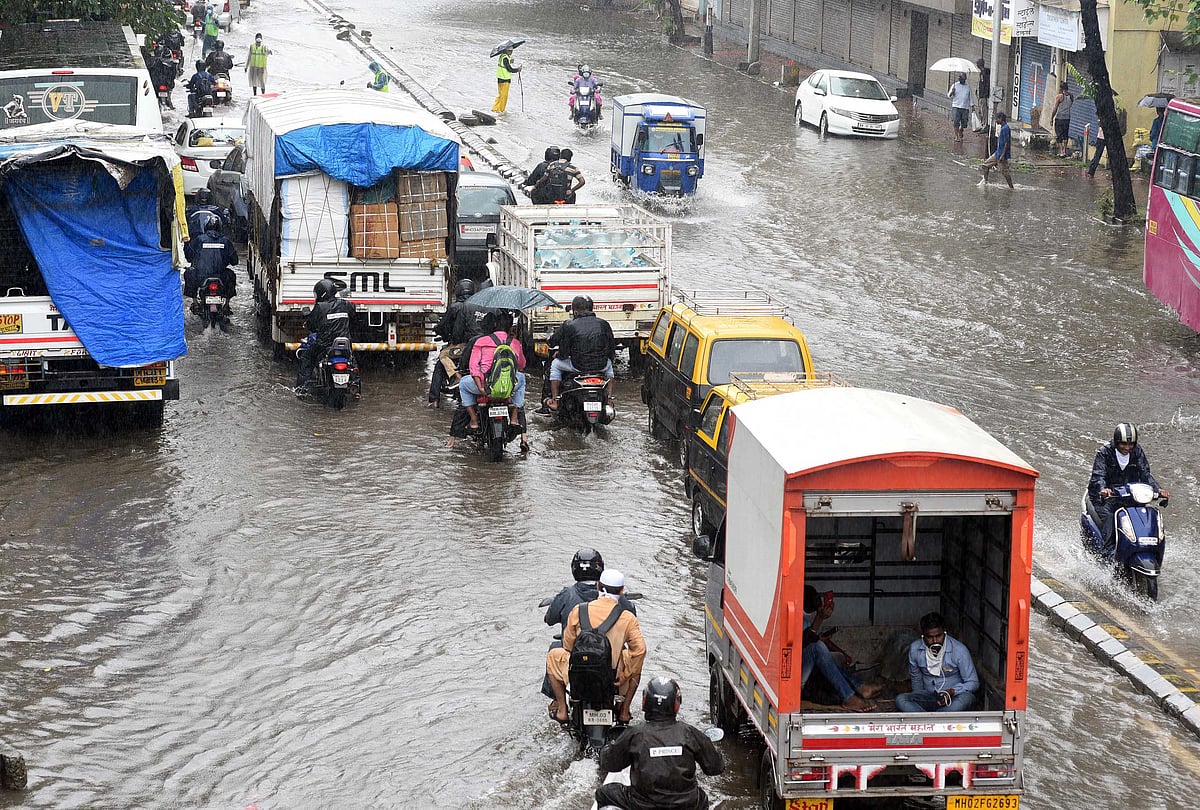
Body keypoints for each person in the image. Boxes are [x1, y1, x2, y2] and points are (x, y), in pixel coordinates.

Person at [595, 677, 724, 810]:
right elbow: (715, 768)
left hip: (642, 804)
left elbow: (610, 764)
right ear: (676, 703)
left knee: (604, 793)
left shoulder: (635, 733)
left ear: (645, 701)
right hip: (686, 804)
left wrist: (609, 747)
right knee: (702, 797)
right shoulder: (689, 733)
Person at [547, 569, 646, 724]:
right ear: (622, 590)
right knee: (635, 665)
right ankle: (624, 711)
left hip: (579, 672)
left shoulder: (579, 610)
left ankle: (562, 710)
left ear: (598, 586)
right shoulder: (628, 617)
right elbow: (640, 651)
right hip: (613, 676)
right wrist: (625, 675)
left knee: (553, 655)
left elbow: (567, 645)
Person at [1087, 423, 1169, 555]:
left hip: (1130, 494)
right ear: (1116, 442)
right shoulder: (1104, 452)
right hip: (1107, 497)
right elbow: (1098, 475)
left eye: (1131, 444)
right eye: (1123, 444)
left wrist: (1158, 490)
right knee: (1109, 516)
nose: (1127, 448)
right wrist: (1103, 489)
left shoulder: (1137, 451)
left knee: (1144, 514)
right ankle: (1106, 552)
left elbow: (1145, 474)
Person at [801, 585, 881, 712]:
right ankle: (848, 696)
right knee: (818, 648)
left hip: (805, 669)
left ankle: (860, 686)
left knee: (833, 657)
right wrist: (819, 618)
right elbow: (804, 643)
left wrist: (842, 652)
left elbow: (818, 640)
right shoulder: (792, 617)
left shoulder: (803, 619)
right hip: (793, 680)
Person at [895, 612, 979, 713]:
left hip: (954, 697)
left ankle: (928, 719)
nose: (935, 641)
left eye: (938, 636)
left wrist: (952, 691)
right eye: (929, 637)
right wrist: (919, 698)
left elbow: (973, 683)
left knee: (966, 699)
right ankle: (935, 719)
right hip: (929, 696)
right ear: (923, 635)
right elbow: (916, 679)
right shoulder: (915, 649)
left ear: (944, 632)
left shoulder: (959, 650)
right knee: (901, 700)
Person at [459, 310, 527, 430]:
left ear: (494, 325)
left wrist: (480, 387)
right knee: (521, 378)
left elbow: (473, 367)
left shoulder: (481, 341)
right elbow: (521, 365)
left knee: (463, 384)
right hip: (509, 386)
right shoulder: (515, 343)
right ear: (510, 327)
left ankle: (474, 420)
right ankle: (515, 417)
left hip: (485, 386)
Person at [547, 295, 614, 411]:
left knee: (555, 365)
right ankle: (609, 399)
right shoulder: (604, 324)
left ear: (575, 311)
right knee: (610, 370)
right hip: (601, 366)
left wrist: (558, 353)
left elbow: (561, 350)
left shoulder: (569, 325)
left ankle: (555, 400)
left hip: (578, 366)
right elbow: (611, 349)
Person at [295, 279, 357, 395]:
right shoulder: (345, 304)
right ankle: (356, 386)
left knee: (307, 358)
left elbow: (312, 323)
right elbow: (353, 313)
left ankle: (301, 390)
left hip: (324, 344)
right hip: (344, 343)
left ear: (321, 293)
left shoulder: (320, 307)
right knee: (352, 360)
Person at [428, 279, 483, 407]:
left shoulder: (457, 307)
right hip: (481, 347)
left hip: (462, 347)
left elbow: (450, 328)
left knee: (442, 360)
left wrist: (440, 331)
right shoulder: (480, 306)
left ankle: (434, 399)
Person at [182, 213, 238, 311]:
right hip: (221, 276)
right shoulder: (226, 241)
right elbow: (235, 261)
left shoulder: (199, 239)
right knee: (232, 275)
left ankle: (195, 302)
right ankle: (227, 304)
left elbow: (189, 257)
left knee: (188, 273)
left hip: (200, 276)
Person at [980, 112, 1013, 189]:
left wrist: (1002, 155)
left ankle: (1011, 187)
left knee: (1005, 172)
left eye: (996, 119)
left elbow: (1006, 143)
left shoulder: (1005, 128)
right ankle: (985, 182)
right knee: (985, 165)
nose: (996, 121)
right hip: (998, 153)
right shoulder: (1003, 128)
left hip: (1002, 155)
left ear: (1001, 119)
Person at [491, 47, 521, 114]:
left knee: (500, 95)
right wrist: (518, 69)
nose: (511, 52)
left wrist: (510, 61)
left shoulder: (502, 56)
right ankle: (501, 111)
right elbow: (509, 69)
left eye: (511, 51)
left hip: (500, 78)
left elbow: (504, 65)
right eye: (510, 51)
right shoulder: (505, 58)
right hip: (505, 80)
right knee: (504, 96)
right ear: (507, 51)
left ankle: (495, 108)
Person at [948, 72, 973, 143]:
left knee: (964, 122)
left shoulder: (968, 86)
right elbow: (949, 95)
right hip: (956, 106)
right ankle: (957, 136)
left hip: (965, 107)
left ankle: (961, 129)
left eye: (964, 79)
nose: (963, 80)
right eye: (962, 79)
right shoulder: (955, 85)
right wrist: (952, 92)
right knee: (956, 121)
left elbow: (970, 97)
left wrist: (972, 105)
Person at [1053, 81, 1074, 158]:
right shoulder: (1071, 96)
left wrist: (1051, 118)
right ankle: (1064, 151)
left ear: (1061, 88)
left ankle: (1061, 152)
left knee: (1059, 135)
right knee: (1065, 135)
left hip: (1059, 118)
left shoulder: (1059, 97)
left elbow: (1055, 108)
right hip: (1067, 118)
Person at [975, 58, 991, 125]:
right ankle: (982, 123)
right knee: (981, 110)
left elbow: (984, 84)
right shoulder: (982, 72)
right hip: (980, 95)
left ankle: (984, 124)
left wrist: (984, 94)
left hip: (983, 95)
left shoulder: (984, 73)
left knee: (984, 110)